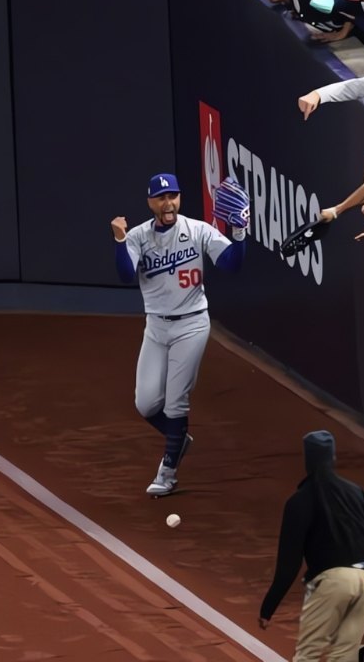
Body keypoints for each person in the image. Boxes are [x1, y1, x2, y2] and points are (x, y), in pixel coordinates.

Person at [111, 173, 249, 496]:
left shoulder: (196, 230)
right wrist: (119, 241)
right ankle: (179, 436)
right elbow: (125, 275)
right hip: (156, 326)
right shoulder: (137, 237)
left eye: (173, 196)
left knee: (175, 403)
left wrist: (240, 232)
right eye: (161, 198)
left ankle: (168, 471)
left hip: (192, 324)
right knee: (145, 404)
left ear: (179, 198)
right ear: (150, 203)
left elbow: (231, 265)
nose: (168, 203)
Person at [259, 431, 364, 661]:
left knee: (308, 655)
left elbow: (289, 564)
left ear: (307, 461)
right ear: (333, 458)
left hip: (334, 581)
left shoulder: (300, 500)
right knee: (344, 655)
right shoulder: (356, 492)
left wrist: (268, 608)